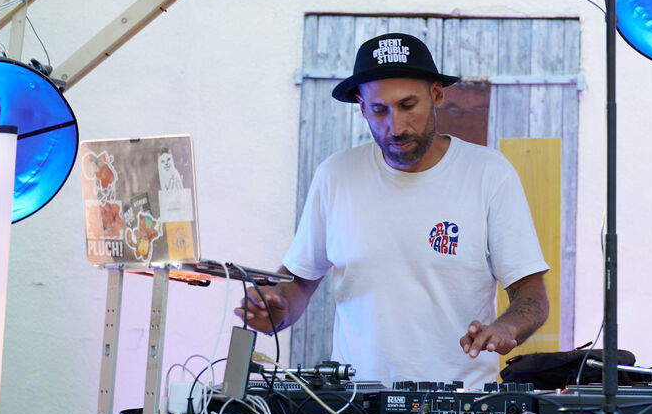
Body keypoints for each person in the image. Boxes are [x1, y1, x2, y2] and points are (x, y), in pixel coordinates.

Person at [236, 32, 550, 387]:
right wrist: (275, 309)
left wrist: (507, 327)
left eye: (408, 105)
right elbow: (297, 284)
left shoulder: (489, 174)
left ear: (436, 95)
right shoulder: (335, 175)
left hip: (463, 404)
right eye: (379, 110)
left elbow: (532, 297)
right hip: (355, 403)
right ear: (361, 106)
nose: (396, 127)